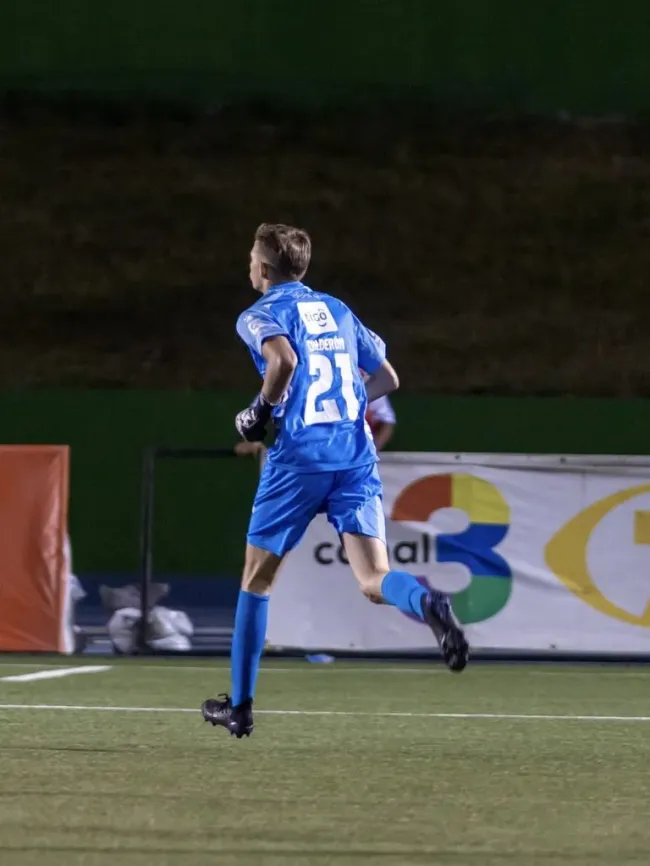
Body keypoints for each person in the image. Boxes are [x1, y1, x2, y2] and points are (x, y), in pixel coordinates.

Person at [201, 223, 468, 738]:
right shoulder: (338, 310)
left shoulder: (259, 314)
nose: (249, 264)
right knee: (373, 580)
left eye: (252, 256)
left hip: (299, 460)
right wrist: (345, 405)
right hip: (354, 456)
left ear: (263, 267)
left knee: (257, 579)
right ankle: (427, 602)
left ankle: (241, 706)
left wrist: (261, 410)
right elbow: (388, 377)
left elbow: (283, 360)